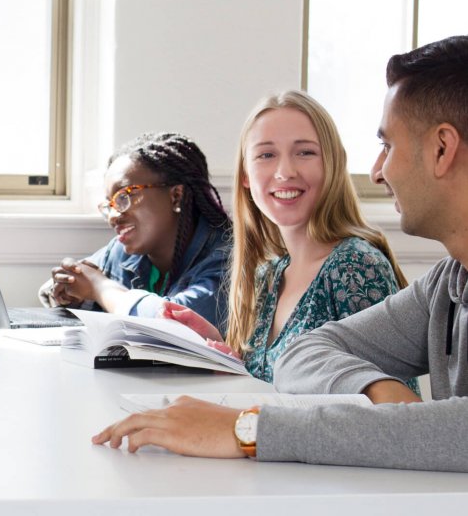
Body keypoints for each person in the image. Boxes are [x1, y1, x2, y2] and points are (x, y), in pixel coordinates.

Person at [93, 35, 468, 473]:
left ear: (442, 149)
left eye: (388, 145)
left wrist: (245, 429)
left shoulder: (356, 263)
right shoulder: (446, 285)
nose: (379, 170)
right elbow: (302, 354)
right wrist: (381, 394)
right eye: (266, 155)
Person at [162, 91, 408, 382]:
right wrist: (221, 357)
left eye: (305, 152)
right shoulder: (268, 275)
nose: (285, 172)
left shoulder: (355, 267)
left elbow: (389, 412)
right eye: (266, 155)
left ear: (332, 163)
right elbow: (273, 395)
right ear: (245, 176)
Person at [39, 132, 232, 330]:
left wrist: (100, 286)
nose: (113, 216)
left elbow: (176, 326)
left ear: (176, 196)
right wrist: (71, 296)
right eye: (109, 204)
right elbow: (68, 282)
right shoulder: (120, 251)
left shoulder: (230, 259)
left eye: (124, 196)